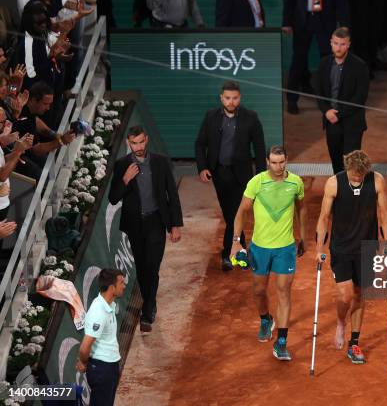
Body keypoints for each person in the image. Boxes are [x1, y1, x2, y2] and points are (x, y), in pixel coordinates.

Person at [315, 150, 387, 364]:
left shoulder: (377, 181)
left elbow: (384, 213)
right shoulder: (333, 183)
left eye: (361, 173)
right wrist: (319, 248)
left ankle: (354, 343)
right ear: (347, 168)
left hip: (367, 247)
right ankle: (341, 323)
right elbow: (323, 218)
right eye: (354, 173)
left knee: (359, 295)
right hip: (341, 247)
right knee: (345, 295)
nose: (358, 176)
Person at [231, 145, 306, 361]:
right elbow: (241, 212)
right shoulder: (257, 183)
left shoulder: (296, 183)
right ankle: (265, 319)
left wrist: (304, 237)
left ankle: (281, 342)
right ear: (267, 162)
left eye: (281, 162)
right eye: (274, 162)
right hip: (260, 248)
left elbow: (302, 209)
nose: (278, 166)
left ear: (287, 160)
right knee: (258, 290)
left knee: (284, 291)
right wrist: (237, 242)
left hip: (285, 248)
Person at [108, 126, 183, 334]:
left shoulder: (160, 161)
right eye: (134, 143)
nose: (139, 147)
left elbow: (172, 195)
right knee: (142, 268)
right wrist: (125, 180)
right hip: (135, 225)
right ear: (128, 143)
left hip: (156, 222)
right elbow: (113, 197)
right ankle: (150, 301)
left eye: (141, 142)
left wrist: (175, 225)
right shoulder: (122, 165)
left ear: (147, 140)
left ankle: (148, 309)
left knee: (152, 265)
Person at [195, 80, 266, 271]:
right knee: (231, 213)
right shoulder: (211, 117)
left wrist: (261, 177)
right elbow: (200, 144)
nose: (231, 102)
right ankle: (238, 249)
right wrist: (202, 167)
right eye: (227, 98)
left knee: (235, 212)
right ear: (221, 98)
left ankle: (230, 253)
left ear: (240, 98)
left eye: (235, 98)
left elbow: (259, 149)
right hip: (219, 174)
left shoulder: (251, 117)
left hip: (242, 175)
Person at [317, 27, 369, 174]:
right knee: (336, 161)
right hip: (331, 121)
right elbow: (319, 92)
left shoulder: (359, 65)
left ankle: (353, 194)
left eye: (342, 44)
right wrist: (326, 111)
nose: (338, 48)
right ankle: (340, 191)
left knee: (352, 163)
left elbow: (360, 97)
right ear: (331, 43)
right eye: (336, 43)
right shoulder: (323, 64)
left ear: (348, 44)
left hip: (352, 122)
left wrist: (338, 115)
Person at [283, 0, 349, 114]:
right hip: (302, 20)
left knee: (328, 62)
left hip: (325, 21)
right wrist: (286, 22)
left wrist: (344, 23)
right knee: (298, 60)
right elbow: (289, 1)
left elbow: (340, 1)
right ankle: (292, 100)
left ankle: (328, 101)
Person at [76, 269, 126, 406]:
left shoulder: (108, 305)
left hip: (109, 366)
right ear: (112, 287)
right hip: (102, 369)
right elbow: (84, 347)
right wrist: (83, 362)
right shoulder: (99, 312)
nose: (124, 285)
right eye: (121, 283)